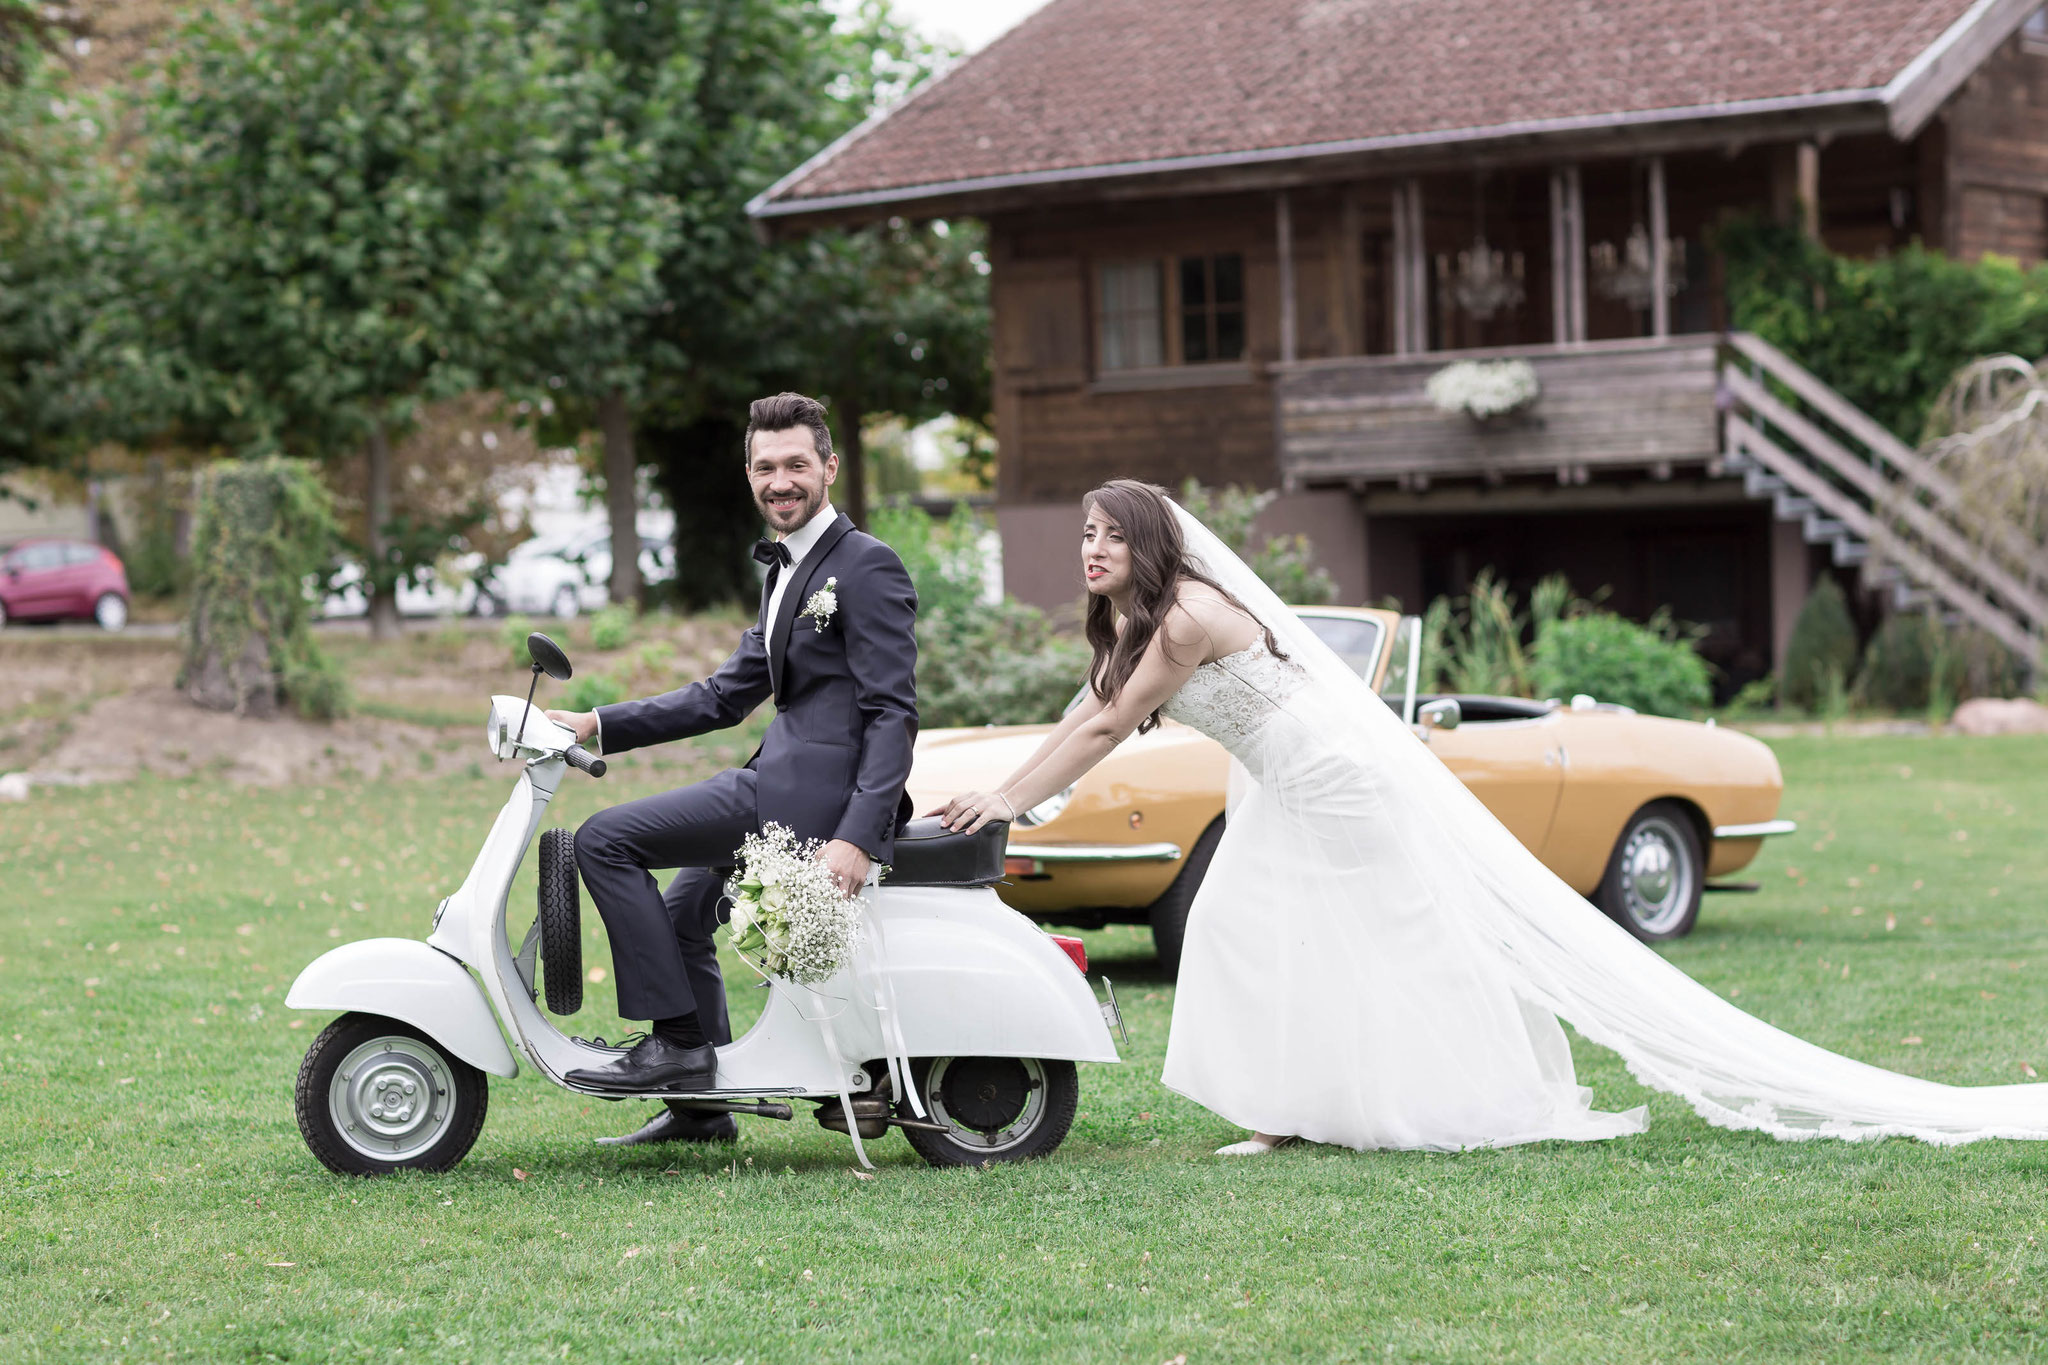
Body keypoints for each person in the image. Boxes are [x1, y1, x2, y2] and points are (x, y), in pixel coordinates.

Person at [938, 479, 2048, 1155]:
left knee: (1382, 934)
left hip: (1328, 777)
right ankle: (1290, 1109)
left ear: (1149, 542)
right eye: (1082, 534)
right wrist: (1000, 786)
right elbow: (1083, 713)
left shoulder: (1184, 613)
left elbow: (1104, 727)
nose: (1091, 549)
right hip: (1277, 784)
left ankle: (1471, 1099)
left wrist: (1008, 798)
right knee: (1247, 925)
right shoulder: (1138, 622)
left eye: (1107, 534)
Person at [546, 392, 917, 1147]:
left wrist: (858, 834)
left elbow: (892, 712)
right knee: (684, 916)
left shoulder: (865, 564)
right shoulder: (787, 568)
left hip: (810, 803)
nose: (780, 481)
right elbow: (724, 695)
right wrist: (598, 723)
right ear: (749, 474)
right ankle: (701, 1107)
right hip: (780, 782)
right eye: (765, 467)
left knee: (603, 840)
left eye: (796, 465)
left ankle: (677, 1044)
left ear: (829, 468)